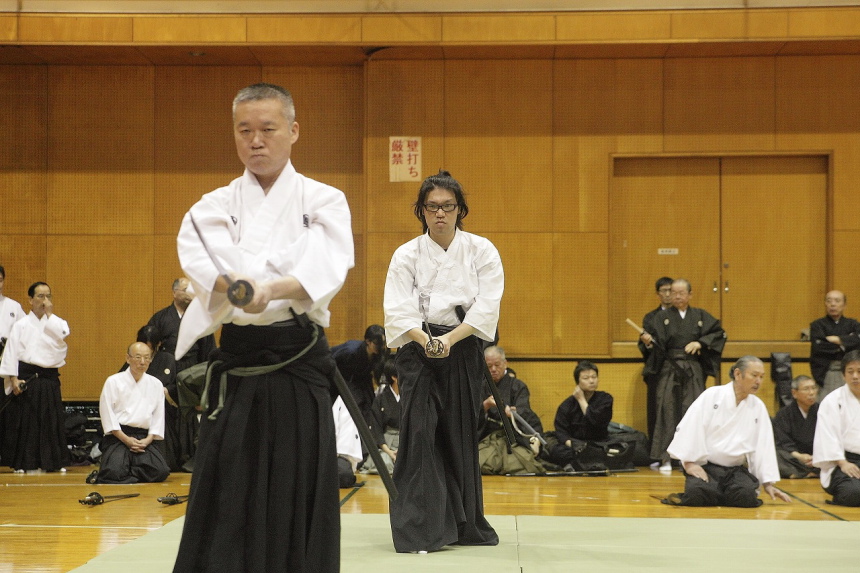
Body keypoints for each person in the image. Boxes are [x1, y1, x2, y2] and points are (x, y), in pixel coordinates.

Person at [171, 83, 354, 573]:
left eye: (268, 129)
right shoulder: (211, 206)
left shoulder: (325, 200)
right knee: (228, 488)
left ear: (293, 131)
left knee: (298, 484)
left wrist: (268, 288)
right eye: (244, 130)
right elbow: (206, 265)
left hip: (298, 361)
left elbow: (326, 266)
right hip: (239, 362)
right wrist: (251, 284)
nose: (255, 140)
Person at [384, 169, 503, 554]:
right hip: (417, 348)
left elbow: (487, 305)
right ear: (421, 210)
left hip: (462, 345)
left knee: (458, 433)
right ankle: (420, 529)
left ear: (460, 210)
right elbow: (397, 308)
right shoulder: (406, 254)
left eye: (448, 206)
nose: (440, 213)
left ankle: (464, 524)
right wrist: (426, 341)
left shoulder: (481, 250)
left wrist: (449, 340)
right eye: (432, 206)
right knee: (419, 434)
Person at [664, 356, 791, 507]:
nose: (758, 381)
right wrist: (690, 463)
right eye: (754, 375)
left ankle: (719, 492)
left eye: (762, 377)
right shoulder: (712, 395)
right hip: (707, 465)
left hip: (735, 470)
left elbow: (763, 445)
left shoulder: (758, 407)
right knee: (697, 493)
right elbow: (691, 427)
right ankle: (716, 492)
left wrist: (768, 483)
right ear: (738, 374)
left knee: (745, 496)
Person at [645, 278, 726, 471]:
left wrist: (700, 343)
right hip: (669, 368)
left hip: (692, 368)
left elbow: (719, 333)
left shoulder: (700, 315)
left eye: (681, 293)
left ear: (690, 295)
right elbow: (654, 344)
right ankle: (665, 457)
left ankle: (691, 457)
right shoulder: (661, 317)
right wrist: (648, 342)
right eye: (673, 292)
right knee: (667, 409)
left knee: (693, 411)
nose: (677, 296)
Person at [0, 282, 70, 473]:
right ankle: (25, 462)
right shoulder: (21, 325)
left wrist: (50, 315)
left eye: (48, 296)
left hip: (48, 377)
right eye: (40, 296)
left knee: (50, 419)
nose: (45, 300)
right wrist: (13, 379)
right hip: (27, 377)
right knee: (27, 421)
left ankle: (53, 461)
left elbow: (64, 335)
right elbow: (11, 353)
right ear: (30, 300)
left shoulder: (56, 323)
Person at [93, 342, 169, 484]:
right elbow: (107, 414)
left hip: (143, 438)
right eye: (138, 357)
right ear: (128, 358)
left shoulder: (156, 384)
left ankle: (128, 471)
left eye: (147, 358)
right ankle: (126, 469)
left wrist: (148, 439)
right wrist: (126, 439)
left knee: (160, 472)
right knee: (113, 472)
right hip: (119, 436)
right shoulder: (113, 381)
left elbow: (158, 417)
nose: (142, 362)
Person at [119, 325, 183, 472]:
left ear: (158, 344)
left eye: (150, 347)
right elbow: (122, 381)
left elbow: (177, 385)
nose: (143, 359)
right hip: (136, 410)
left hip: (162, 408)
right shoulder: (133, 361)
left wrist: (166, 391)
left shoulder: (168, 359)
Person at [812, 349, 860, 506]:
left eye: (859, 371)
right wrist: (842, 463)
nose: (855, 376)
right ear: (843, 375)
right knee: (853, 493)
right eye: (850, 371)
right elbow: (827, 436)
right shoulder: (832, 401)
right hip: (842, 462)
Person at [546, 360, 613, 471]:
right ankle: (578, 463)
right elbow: (561, 431)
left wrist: (582, 400)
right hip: (575, 446)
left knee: (610, 451)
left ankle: (577, 464)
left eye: (594, 377)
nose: (591, 381)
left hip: (598, 443)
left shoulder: (605, 399)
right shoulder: (567, 405)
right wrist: (574, 445)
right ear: (578, 382)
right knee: (557, 451)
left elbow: (597, 421)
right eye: (586, 378)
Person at [331, 324, 388, 445]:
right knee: (355, 404)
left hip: (360, 379)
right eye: (377, 343)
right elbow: (330, 362)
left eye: (383, 343)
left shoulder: (379, 353)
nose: (381, 347)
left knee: (371, 404)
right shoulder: (350, 350)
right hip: (339, 379)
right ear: (368, 341)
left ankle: (368, 442)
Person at [147, 278, 216, 374]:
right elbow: (149, 345)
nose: (190, 293)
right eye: (186, 290)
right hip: (167, 368)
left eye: (192, 290)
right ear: (174, 293)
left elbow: (209, 348)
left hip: (193, 370)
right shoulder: (160, 318)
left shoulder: (201, 319)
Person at [638, 276, 673, 442]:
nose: (667, 294)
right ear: (657, 294)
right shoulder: (650, 317)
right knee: (656, 409)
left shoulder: (683, 316)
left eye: (670, 290)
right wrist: (648, 344)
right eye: (664, 291)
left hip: (677, 368)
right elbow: (645, 346)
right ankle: (655, 449)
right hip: (658, 369)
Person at [809, 290, 860, 401]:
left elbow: (857, 341)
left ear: (844, 305)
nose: (833, 304)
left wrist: (837, 339)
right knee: (828, 402)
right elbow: (819, 347)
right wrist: (845, 343)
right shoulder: (817, 325)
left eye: (837, 301)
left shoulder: (853, 324)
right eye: (829, 301)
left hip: (850, 370)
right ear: (825, 304)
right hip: (827, 370)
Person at [0, 265, 25, 465]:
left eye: (0, 280)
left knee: (6, 411)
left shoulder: (13, 307)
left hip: (5, 361)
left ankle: (7, 456)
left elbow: (24, 337)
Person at [772, 375, 819, 479]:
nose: (811, 393)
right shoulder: (783, 414)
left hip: (817, 457)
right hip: (794, 457)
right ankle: (805, 472)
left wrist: (817, 457)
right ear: (794, 393)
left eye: (813, 388)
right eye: (806, 389)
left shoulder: (823, 411)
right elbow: (782, 442)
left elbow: (829, 438)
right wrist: (799, 456)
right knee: (775, 454)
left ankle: (800, 473)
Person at [361, 359, 400, 475]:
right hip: (387, 444)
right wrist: (389, 452)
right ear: (394, 377)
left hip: (406, 443)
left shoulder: (409, 397)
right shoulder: (381, 399)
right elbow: (376, 429)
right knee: (384, 462)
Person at [332, 394, 362, 488]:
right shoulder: (339, 400)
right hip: (338, 448)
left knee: (346, 473)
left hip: (343, 450)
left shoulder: (345, 399)